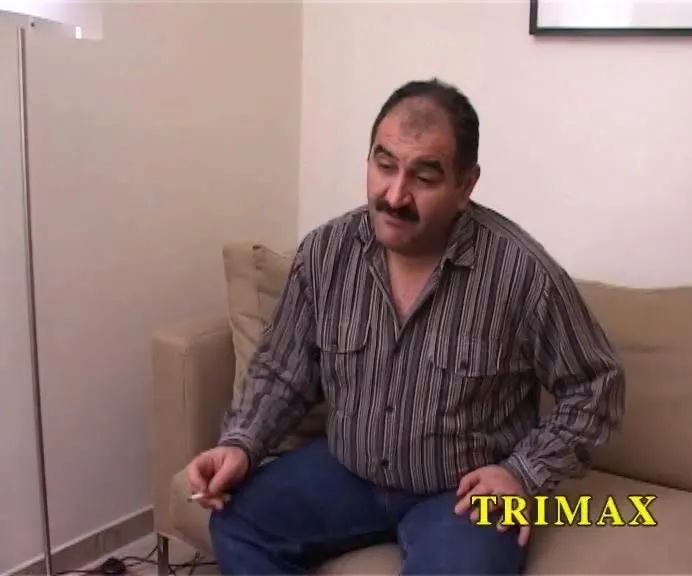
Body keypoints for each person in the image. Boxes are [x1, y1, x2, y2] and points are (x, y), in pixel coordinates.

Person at [187, 78, 626, 575]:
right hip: (347, 470)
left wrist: (523, 473)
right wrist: (241, 442)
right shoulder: (325, 254)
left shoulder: (521, 274)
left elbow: (597, 384)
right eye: (385, 165)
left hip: (460, 494)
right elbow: (283, 370)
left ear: (465, 186)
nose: (395, 195)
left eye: (424, 177)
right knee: (237, 522)